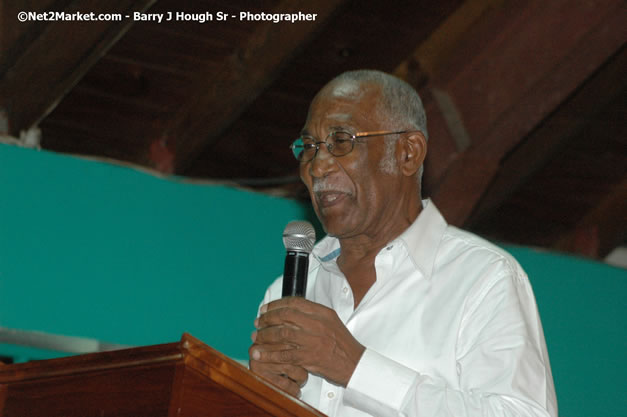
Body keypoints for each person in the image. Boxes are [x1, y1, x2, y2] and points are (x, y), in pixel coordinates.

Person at [249, 70, 557, 416]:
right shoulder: (287, 291)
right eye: (309, 147)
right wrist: (259, 396)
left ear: (408, 153)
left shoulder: (484, 278)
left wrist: (356, 368)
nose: (318, 166)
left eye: (341, 141)